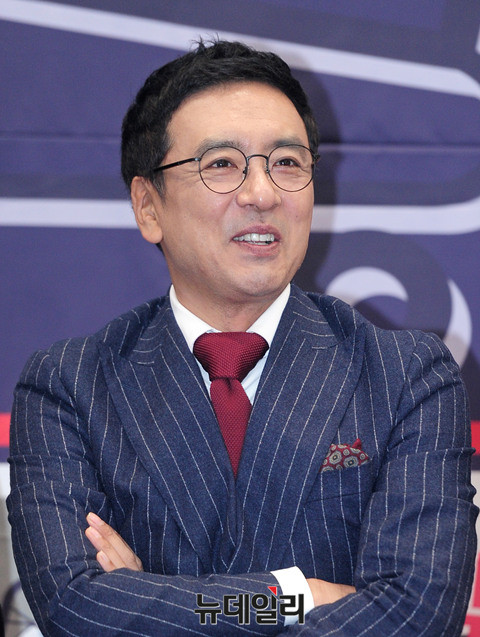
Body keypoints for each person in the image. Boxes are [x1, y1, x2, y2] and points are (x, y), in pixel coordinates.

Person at [7, 40, 477, 636]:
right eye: (223, 164)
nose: (262, 193)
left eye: (288, 163)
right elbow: (75, 606)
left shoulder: (406, 376)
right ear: (148, 206)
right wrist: (295, 597)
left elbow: (416, 612)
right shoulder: (69, 387)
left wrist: (154, 602)